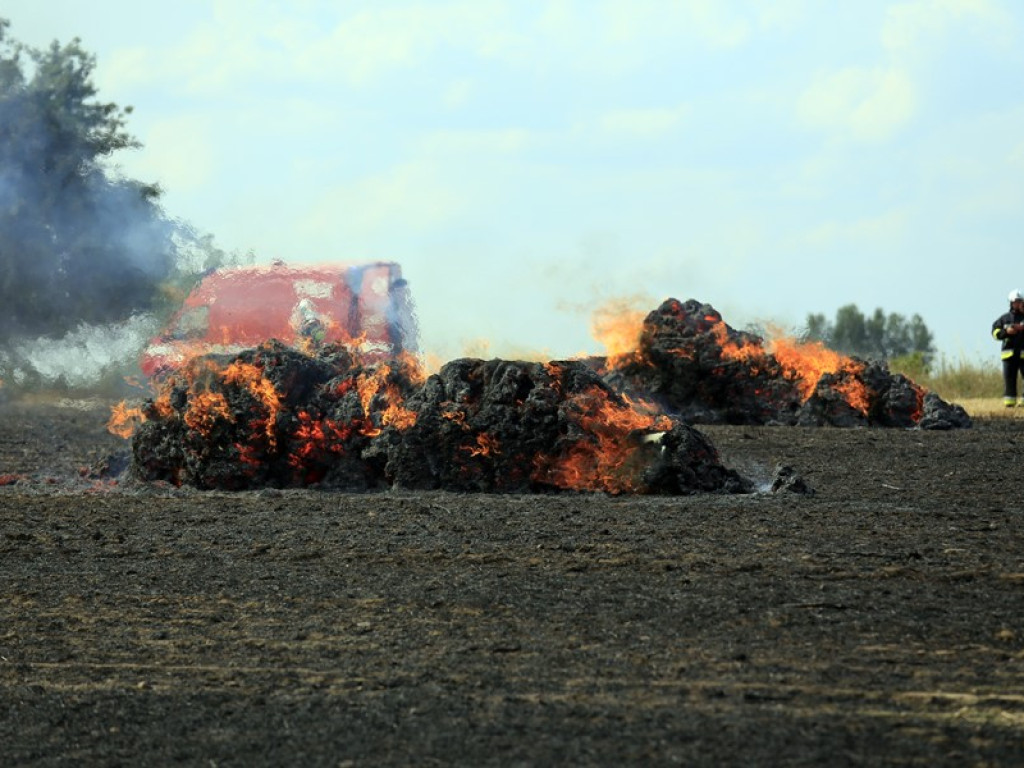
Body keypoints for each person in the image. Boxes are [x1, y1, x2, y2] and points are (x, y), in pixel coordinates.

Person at [992, 290, 1024, 407]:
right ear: (1011, 303)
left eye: (1021, 301)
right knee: (1009, 380)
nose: (1020, 303)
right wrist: (1006, 332)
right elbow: (995, 332)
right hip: (1008, 355)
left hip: (1023, 354)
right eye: (1017, 301)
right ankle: (1010, 404)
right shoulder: (1004, 319)